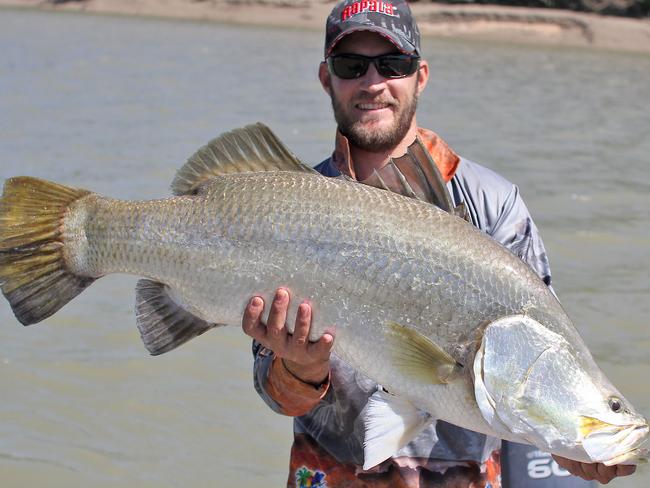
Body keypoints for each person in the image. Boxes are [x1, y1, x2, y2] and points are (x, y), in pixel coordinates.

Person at [241, 0, 637, 486]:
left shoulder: (495, 205)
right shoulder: (286, 206)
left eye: (393, 64)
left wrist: (569, 445)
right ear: (327, 78)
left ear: (420, 76)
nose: (373, 82)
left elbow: (534, 358)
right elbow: (276, 396)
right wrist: (299, 370)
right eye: (351, 66)